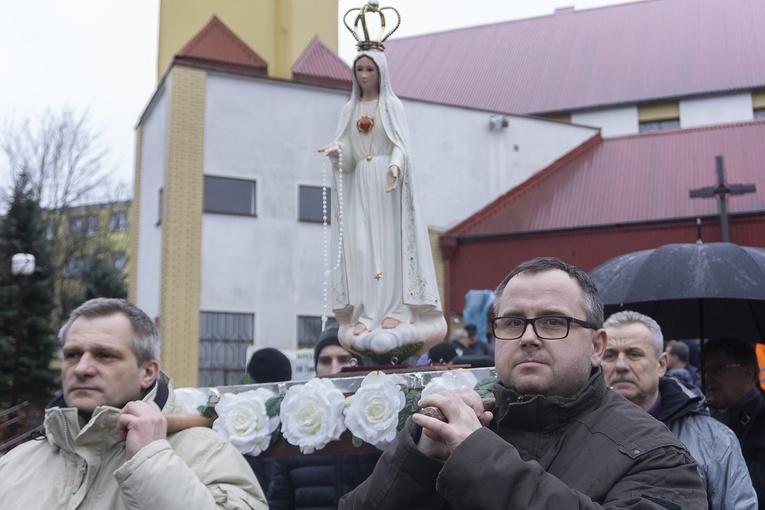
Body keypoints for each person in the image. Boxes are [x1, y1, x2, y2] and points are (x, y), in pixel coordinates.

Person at [339, 257, 706, 508]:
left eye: (551, 322)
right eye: (513, 322)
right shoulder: (451, 428)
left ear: (597, 346)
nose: (528, 337)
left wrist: (477, 455)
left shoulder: (656, 455)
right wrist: (421, 459)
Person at [0, 298, 267, 509]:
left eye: (105, 355)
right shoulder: (15, 463)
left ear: (148, 372)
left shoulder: (207, 452)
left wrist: (151, 463)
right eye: (72, 355)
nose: (81, 368)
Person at [319, 45, 446, 361]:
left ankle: (395, 309)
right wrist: (339, 152)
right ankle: (365, 312)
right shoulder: (348, 110)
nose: (363, 76)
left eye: (369, 70)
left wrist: (395, 166)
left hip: (387, 189)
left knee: (389, 251)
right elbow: (349, 156)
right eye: (359, 70)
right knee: (360, 248)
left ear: (380, 72)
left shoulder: (392, 106)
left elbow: (401, 145)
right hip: (361, 184)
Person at [601, 310, 756, 509]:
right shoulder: (575, 432)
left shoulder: (715, 440)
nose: (621, 365)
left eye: (634, 354)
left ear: (661, 364)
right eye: (610, 355)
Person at [267, 323, 380, 510]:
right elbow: (280, 501)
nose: (334, 369)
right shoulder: (297, 427)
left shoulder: (379, 424)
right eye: (325, 361)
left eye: (344, 359)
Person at [704, 337, 765, 507]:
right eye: (705, 370)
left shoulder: (761, 422)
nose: (708, 378)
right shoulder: (698, 420)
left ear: (748, 373)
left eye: (717, 369)